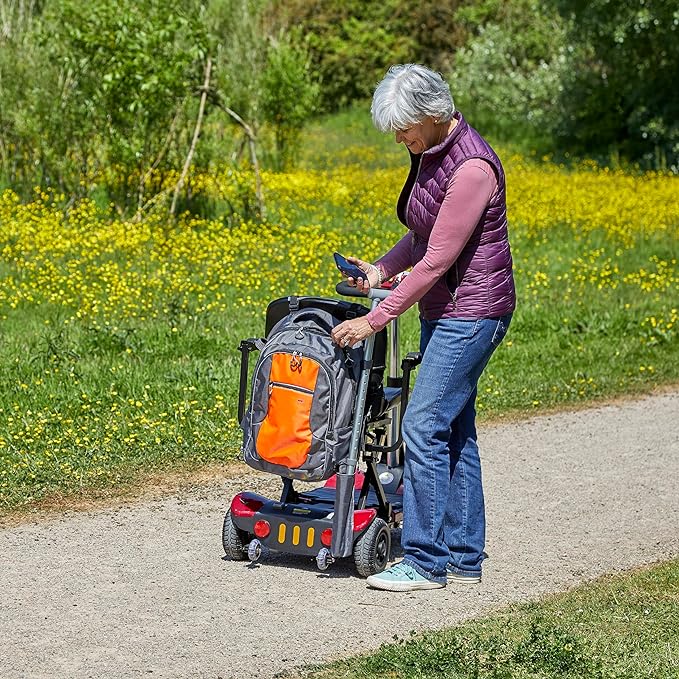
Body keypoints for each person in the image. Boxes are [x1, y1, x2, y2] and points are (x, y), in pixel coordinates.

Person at [330, 64, 516, 592]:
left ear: (435, 115)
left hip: (474, 311)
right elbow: (420, 235)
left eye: (406, 127)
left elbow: (436, 262)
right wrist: (379, 272)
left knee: (422, 426)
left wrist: (374, 319)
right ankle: (462, 556)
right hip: (447, 309)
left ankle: (426, 562)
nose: (399, 138)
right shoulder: (430, 154)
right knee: (453, 429)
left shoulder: (472, 168)